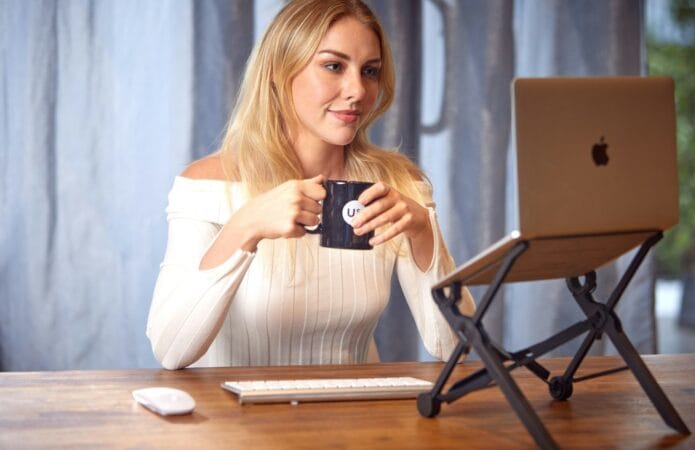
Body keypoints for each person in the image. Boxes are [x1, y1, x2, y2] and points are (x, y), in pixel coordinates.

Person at [146, 0, 475, 370]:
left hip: (357, 420)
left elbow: (454, 347)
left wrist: (423, 234)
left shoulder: (397, 185)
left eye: (370, 71)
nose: (358, 91)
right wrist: (245, 225)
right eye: (333, 66)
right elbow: (170, 350)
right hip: (233, 424)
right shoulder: (206, 186)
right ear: (278, 70)